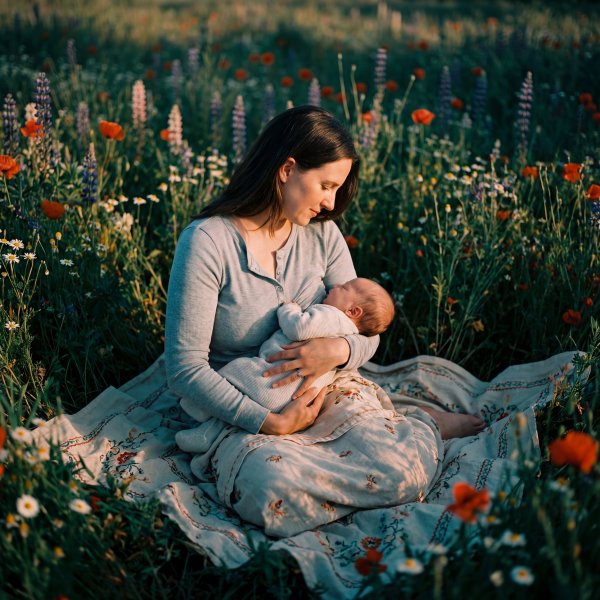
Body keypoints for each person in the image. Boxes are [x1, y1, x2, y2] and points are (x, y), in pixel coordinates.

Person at [165, 105, 485, 538]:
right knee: (271, 490)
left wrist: (337, 350)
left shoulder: (323, 234)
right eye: (326, 186)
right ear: (287, 169)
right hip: (239, 404)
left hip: (323, 387)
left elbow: (368, 328)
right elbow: (184, 367)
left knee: (401, 470)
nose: (332, 203)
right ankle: (364, 442)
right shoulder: (207, 242)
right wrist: (269, 423)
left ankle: (423, 423)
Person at [178, 276, 395, 423]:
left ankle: (196, 406)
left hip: (270, 378)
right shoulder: (351, 329)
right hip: (290, 400)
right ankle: (208, 431)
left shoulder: (332, 316)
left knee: (234, 371)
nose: (334, 286)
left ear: (353, 311)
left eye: (343, 288)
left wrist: (289, 309)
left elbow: (299, 328)